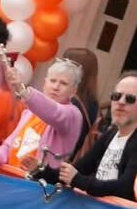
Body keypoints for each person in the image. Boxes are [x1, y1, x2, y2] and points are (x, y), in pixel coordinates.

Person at [0, 57, 83, 174]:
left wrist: (22, 90)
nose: (56, 87)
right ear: (44, 83)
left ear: (73, 91)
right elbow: (7, 149)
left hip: (38, 181)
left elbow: (54, 112)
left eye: (63, 83)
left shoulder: (72, 114)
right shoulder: (29, 113)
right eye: (53, 81)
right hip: (10, 177)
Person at [57, 72, 137, 200]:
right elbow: (80, 168)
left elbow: (126, 188)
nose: (121, 102)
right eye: (116, 96)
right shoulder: (110, 133)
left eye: (130, 98)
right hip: (95, 208)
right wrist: (39, 169)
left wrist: (80, 181)